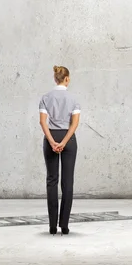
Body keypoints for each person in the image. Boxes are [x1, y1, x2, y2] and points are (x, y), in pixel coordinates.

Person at [39, 65, 80, 235]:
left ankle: (52, 226)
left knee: (52, 181)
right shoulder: (73, 99)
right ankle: (64, 225)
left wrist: (52, 141)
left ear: (55, 78)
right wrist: (63, 142)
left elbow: (43, 122)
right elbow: (74, 124)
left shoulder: (45, 98)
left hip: (51, 138)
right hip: (68, 139)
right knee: (67, 182)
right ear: (67, 79)